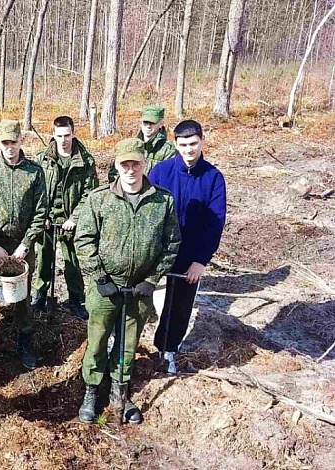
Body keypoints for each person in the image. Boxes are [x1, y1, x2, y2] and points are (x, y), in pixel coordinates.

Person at [76, 138, 180, 425]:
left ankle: (120, 393)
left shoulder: (163, 201)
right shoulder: (99, 199)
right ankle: (92, 391)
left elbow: (171, 244)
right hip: (105, 289)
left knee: (127, 345)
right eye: (125, 164)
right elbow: (84, 240)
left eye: (135, 163)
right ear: (117, 165)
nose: (131, 169)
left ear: (144, 163)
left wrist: (151, 278)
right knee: (97, 341)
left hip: (139, 290)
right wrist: (99, 276)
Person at [148, 119, 227, 374]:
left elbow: (215, 223)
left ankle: (168, 350)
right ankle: (125, 347)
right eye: (183, 144)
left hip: (189, 257)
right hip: (157, 252)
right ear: (175, 144)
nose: (189, 150)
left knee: (180, 306)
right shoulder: (161, 171)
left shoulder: (213, 178)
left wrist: (201, 261)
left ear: (202, 141)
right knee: (142, 299)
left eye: (193, 144)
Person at [0, 119, 48, 370]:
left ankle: (24, 340)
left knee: (23, 295)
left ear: (20, 141)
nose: (9, 147)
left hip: (23, 243)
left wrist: (26, 244)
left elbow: (40, 212)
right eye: (4, 142)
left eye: (13, 142)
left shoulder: (35, 172)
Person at [30, 116, 99, 320]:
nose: (63, 140)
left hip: (71, 223)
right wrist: (43, 216)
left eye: (67, 135)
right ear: (53, 134)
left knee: (73, 263)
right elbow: (37, 191)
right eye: (59, 135)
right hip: (48, 221)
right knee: (43, 260)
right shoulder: (43, 159)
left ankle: (76, 299)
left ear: (73, 133)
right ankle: (40, 296)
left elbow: (90, 194)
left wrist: (75, 218)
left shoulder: (86, 161)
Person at [108, 105, 177, 183]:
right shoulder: (130, 145)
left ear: (161, 123)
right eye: (145, 122)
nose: (148, 126)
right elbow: (114, 174)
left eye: (152, 123)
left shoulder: (169, 150)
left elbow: (169, 178)